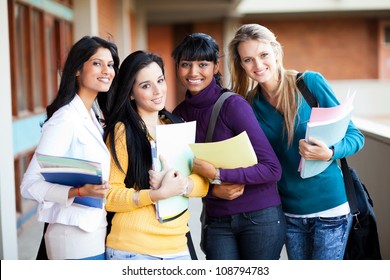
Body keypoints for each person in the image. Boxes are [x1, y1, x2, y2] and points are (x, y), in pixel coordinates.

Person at [228, 23, 365, 260]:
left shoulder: (309, 84)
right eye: (248, 59)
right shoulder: (247, 104)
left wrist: (330, 152)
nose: (258, 65)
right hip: (288, 214)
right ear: (241, 64)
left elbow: (355, 136)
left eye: (263, 55)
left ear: (276, 52)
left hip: (330, 210)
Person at [171, 33, 285, 260]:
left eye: (203, 64)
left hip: (259, 217)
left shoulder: (233, 105)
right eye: (186, 64)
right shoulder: (178, 115)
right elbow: (180, 176)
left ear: (215, 67)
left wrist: (219, 174)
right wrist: (213, 188)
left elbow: (273, 169)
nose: (193, 73)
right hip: (217, 220)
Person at [20, 36, 120, 260]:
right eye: (97, 63)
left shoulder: (92, 116)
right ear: (77, 70)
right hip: (72, 237)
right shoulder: (65, 119)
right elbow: (29, 185)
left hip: (93, 233)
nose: (107, 70)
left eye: (110, 64)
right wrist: (79, 192)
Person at [103, 50, 209, 260]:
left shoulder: (175, 124)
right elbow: (109, 196)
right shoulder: (122, 131)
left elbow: (202, 183)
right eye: (145, 86)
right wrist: (156, 194)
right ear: (131, 93)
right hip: (134, 250)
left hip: (178, 246)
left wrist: (182, 184)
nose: (157, 91)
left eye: (160, 80)